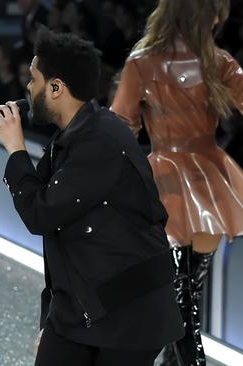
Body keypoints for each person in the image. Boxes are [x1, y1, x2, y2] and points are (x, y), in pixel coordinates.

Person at [0, 28, 183, 366]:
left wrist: (16, 149)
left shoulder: (100, 140)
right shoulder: (73, 136)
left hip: (129, 314)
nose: (27, 90)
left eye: (34, 80)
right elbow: (50, 220)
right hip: (83, 308)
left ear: (56, 87)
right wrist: (51, 320)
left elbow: (40, 214)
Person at [110, 0, 243, 364]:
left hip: (165, 183)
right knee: (186, 296)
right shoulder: (220, 63)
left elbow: (120, 127)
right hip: (210, 185)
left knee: (178, 300)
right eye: (215, 13)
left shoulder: (143, 61)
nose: (218, 21)